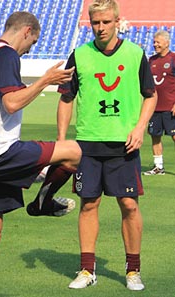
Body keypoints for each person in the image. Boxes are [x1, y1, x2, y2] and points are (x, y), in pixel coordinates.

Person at [0, 11, 81, 297]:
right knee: (75, 152)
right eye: (33, 42)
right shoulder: (6, 55)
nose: (30, 49)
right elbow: (12, 103)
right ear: (26, 31)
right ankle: (42, 203)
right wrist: (44, 81)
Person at [56, 0, 157, 291]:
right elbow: (66, 98)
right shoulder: (79, 55)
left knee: (129, 205)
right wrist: (63, 142)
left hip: (124, 144)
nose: (100, 28)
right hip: (87, 144)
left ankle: (133, 271)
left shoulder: (136, 53)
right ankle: (87, 270)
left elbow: (149, 95)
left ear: (116, 21)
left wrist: (140, 128)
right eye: (95, 23)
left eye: (106, 22)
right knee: (89, 205)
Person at [143, 30, 175, 175]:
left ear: (167, 43)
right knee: (155, 136)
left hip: (170, 107)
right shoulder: (152, 60)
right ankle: (158, 167)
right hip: (154, 107)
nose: (155, 44)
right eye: (154, 42)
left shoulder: (173, 59)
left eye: (158, 42)